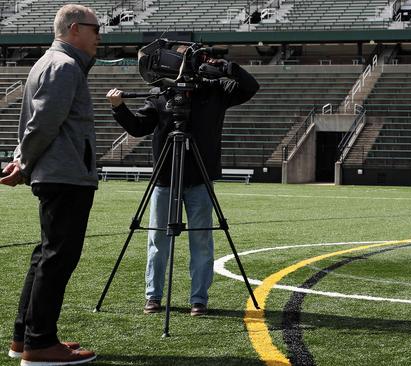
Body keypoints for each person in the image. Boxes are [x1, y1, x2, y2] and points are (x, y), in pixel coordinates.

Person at [106, 52, 259, 316]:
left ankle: (198, 300)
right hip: (165, 178)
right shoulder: (161, 93)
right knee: (157, 239)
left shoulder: (215, 90)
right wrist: (118, 107)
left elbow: (250, 86)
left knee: (201, 241)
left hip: (200, 178)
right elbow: (139, 127)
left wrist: (223, 66)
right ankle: (153, 297)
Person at [0, 4, 101, 365]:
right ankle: (39, 344)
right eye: (95, 29)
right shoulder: (64, 65)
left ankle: (24, 337)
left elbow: (34, 121)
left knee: (46, 256)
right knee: (57, 258)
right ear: (75, 28)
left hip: (58, 172)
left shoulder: (52, 63)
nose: (99, 37)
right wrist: (24, 163)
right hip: (65, 175)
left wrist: (20, 160)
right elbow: (43, 124)